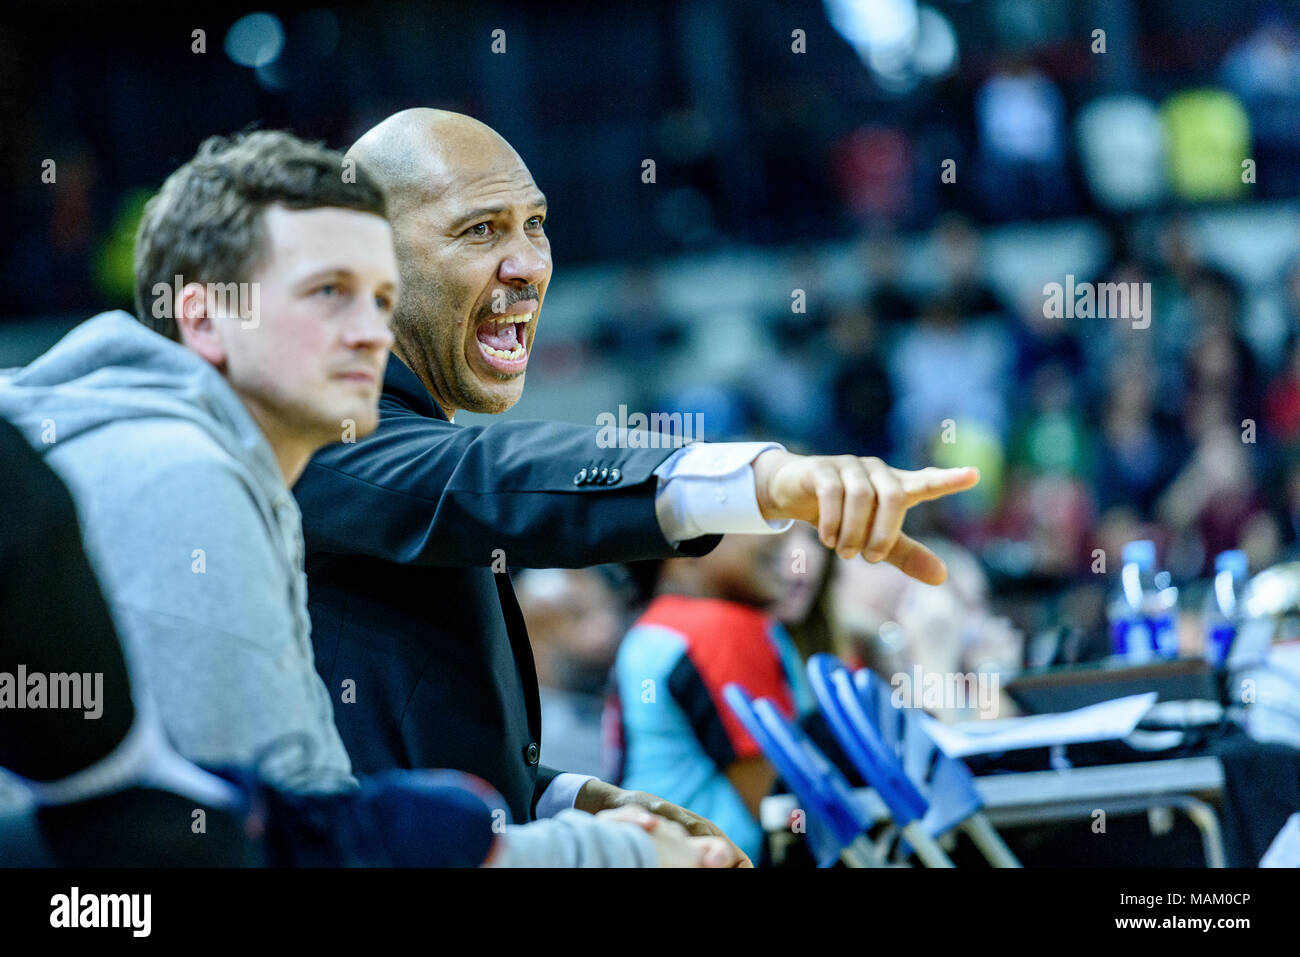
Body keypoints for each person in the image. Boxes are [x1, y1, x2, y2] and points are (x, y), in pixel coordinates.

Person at [0, 130, 725, 868]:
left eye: (380, 299)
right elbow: (265, 845)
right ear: (205, 317)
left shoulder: (198, 460)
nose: (370, 332)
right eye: (329, 293)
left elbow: (286, 810)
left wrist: (552, 805)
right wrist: (609, 854)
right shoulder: (182, 474)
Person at [292, 108, 979, 863]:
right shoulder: (318, 431)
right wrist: (765, 478)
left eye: (536, 224)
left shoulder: (399, 434)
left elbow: (402, 746)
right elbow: (491, 476)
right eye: (481, 231)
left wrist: (569, 796)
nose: (528, 264)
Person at [608, 530, 815, 862]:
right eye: (750, 519)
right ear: (685, 539)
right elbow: (781, 810)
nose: (780, 537)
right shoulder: (717, 627)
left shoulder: (661, 622)